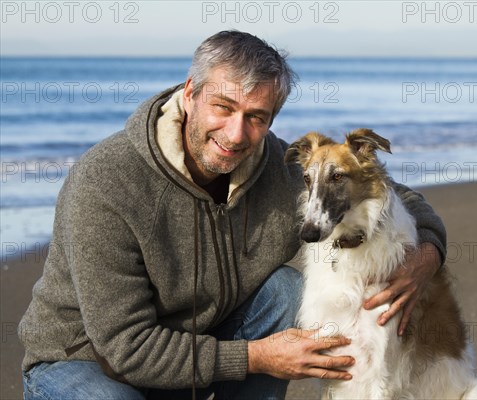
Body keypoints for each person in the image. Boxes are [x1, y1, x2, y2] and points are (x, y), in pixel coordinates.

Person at [18, 30, 446, 400]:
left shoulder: (280, 166)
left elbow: (392, 193)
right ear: (190, 93)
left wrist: (426, 254)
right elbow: (125, 349)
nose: (236, 134)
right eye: (223, 107)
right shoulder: (106, 183)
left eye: (256, 117)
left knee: (285, 290)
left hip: (199, 347)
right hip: (87, 362)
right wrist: (258, 357)